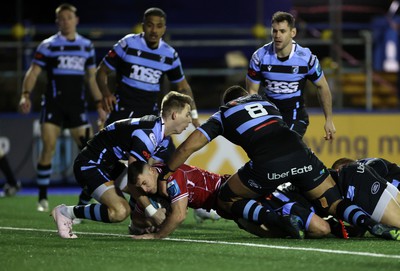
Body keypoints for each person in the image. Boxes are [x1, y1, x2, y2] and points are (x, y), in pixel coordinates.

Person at [161, 85, 400, 241]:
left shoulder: (222, 114)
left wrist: (167, 172)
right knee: (334, 203)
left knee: (226, 198)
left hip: (269, 164)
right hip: (302, 154)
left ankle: (278, 221)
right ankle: (369, 224)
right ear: (247, 94)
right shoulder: (267, 104)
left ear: (228, 101)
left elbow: (188, 147)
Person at [51, 91, 193, 238]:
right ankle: (66, 212)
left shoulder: (160, 136)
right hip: (90, 164)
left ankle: (137, 226)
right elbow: (135, 179)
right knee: (120, 211)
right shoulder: (148, 134)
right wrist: (152, 212)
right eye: (187, 114)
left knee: (151, 189)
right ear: (175, 115)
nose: (190, 120)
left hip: (109, 164)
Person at [18, 3, 106, 212]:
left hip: (77, 106)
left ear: (76, 20)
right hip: (53, 105)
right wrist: (25, 95)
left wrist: (99, 103)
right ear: (57, 22)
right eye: (61, 18)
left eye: (69, 17)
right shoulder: (48, 45)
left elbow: (91, 77)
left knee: (89, 152)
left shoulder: (86, 46)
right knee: (48, 147)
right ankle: (42, 198)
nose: (65, 21)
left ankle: (86, 197)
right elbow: (33, 72)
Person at [128, 161, 334, 239]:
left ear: (152, 173)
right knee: (265, 234)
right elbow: (133, 190)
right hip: (221, 205)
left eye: (145, 183)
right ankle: (294, 227)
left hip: (225, 193)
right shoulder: (157, 174)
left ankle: (295, 219)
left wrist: (156, 236)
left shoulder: (172, 178)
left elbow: (180, 215)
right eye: (141, 187)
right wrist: (145, 221)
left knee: (266, 220)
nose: (144, 189)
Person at [95, 7, 200, 128]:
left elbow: (183, 87)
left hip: (149, 113)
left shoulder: (170, 55)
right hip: (121, 110)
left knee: (166, 147)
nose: (154, 30)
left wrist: (194, 115)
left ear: (164, 29)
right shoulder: (128, 43)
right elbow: (101, 71)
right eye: (150, 25)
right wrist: (106, 93)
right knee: (113, 145)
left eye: (159, 26)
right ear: (143, 26)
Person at [246, 11, 335, 140]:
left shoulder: (306, 59)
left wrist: (329, 120)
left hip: (295, 114)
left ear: (293, 33)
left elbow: (323, 87)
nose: (277, 35)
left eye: (282, 31)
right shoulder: (259, 57)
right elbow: (252, 90)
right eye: (275, 31)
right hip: (269, 112)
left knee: (285, 144)